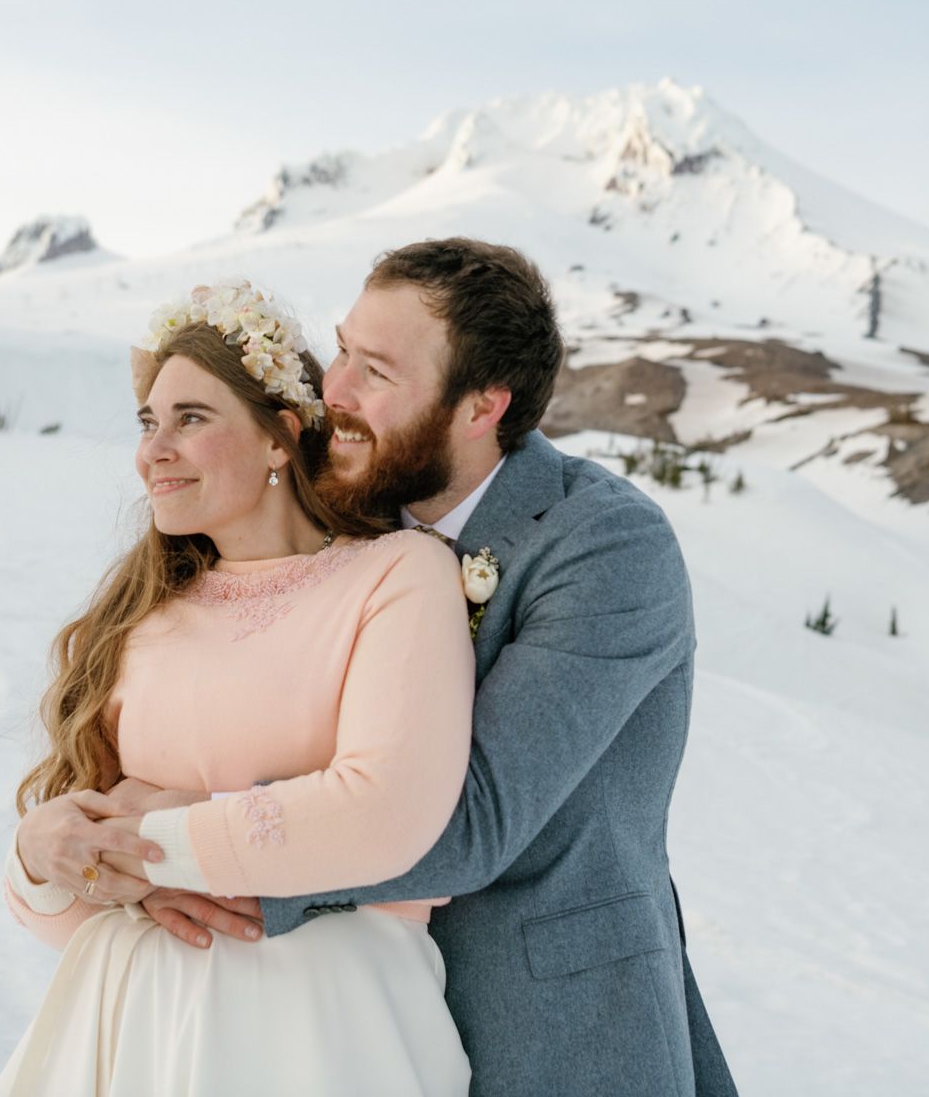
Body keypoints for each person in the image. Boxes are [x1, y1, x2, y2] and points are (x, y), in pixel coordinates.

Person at [79, 239, 740, 1097]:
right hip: (349, 1022)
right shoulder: (345, 512)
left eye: (377, 371)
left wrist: (185, 838)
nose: (335, 389)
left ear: (481, 407)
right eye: (343, 349)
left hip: (552, 1026)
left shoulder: (606, 545)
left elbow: (471, 820)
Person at [0, 280, 476, 1094]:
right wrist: (38, 853)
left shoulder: (395, 574)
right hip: (133, 1029)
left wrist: (161, 839)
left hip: (325, 1029)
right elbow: (80, 903)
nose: (155, 449)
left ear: (280, 438)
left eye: (191, 418)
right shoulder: (142, 617)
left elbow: (386, 812)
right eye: (149, 422)